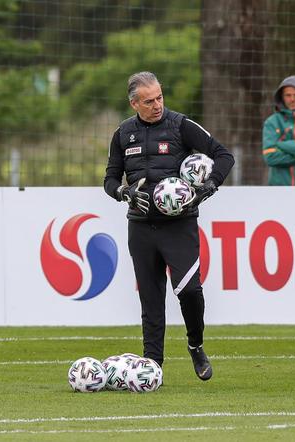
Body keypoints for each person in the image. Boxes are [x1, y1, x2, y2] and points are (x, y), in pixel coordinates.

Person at [104, 71, 234, 381]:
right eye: (149, 101)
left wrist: (209, 186)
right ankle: (153, 366)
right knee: (150, 299)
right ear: (134, 103)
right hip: (140, 226)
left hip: (179, 226)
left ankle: (196, 345)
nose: (157, 105)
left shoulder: (181, 125)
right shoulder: (123, 133)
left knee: (189, 291)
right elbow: (109, 179)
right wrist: (123, 192)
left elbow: (223, 156)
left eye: (160, 97)